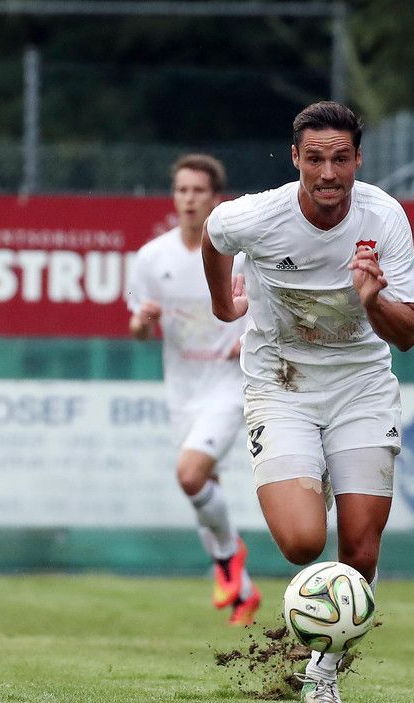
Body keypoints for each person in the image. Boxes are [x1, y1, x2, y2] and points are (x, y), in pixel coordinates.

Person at [202, 101, 414, 703]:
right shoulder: (259, 216)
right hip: (282, 383)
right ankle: (311, 473)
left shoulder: (385, 218)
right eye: (316, 159)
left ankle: (321, 671)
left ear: (358, 160)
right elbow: (213, 236)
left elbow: (408, 333)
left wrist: (372, 299)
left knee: (360, 547)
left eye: (341, 159)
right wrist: (223, 305)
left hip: (361, 385)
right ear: (296, 158)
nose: (329, 174)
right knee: (302, 542)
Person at [127, 153, 260, 627]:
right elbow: (138, 330)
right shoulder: (152, 258)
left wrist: (248, 337)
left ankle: (228, 557)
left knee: (189, 475)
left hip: (230, 384)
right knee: (205, 486)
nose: (188, 199)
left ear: (215, 199)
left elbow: (269, 310)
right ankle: (244, 593)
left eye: (198, 191)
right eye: (181, 190)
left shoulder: (240, 255)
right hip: (182, 389)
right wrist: (143, 322)